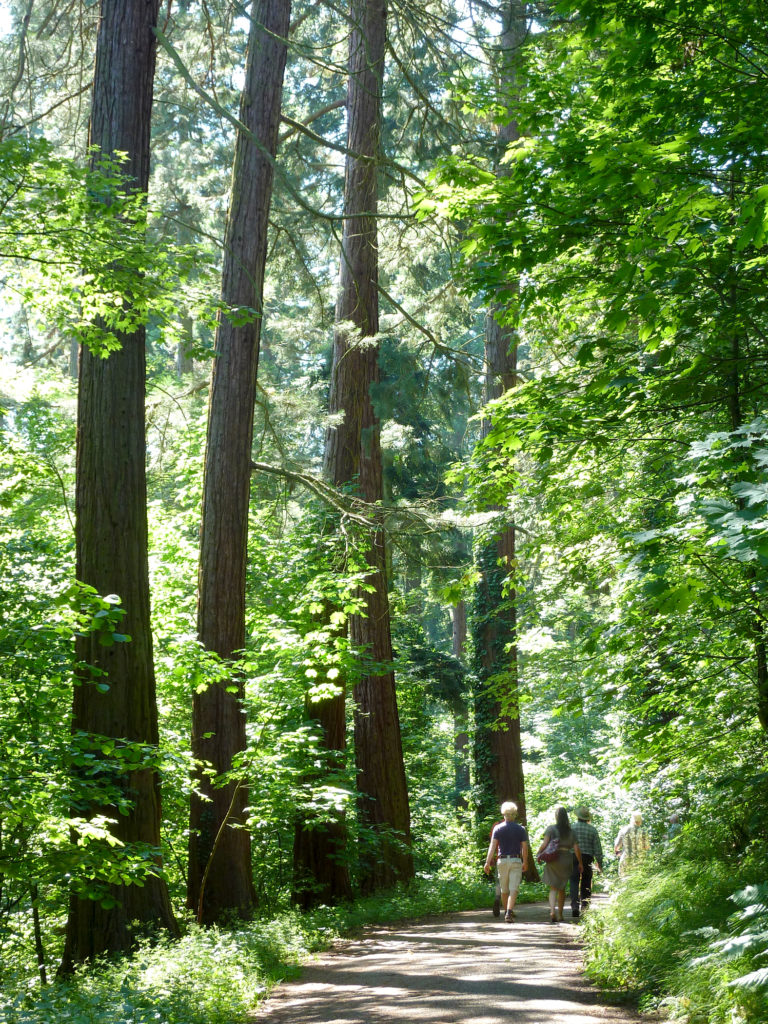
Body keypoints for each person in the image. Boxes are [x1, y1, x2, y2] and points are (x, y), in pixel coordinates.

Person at [484, 801, 529, 923]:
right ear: (514, 814)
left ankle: (507, 911)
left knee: (504, 889)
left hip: (502, 861)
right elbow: (524, 848)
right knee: (514, 888)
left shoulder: (497, 828)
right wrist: (525, 862)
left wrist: (487, 862)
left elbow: (492, 847)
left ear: (504, 814)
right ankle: (509, 912)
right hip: (515, 860)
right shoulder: (520, 829)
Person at [536, 805, 583, 923]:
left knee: (553, 887)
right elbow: (576, 849)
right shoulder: (571, 831)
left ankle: (552, 911)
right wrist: (580, 863)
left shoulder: (551, 829)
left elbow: (544, 844)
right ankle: (560, 914)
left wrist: (539, 854)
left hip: (553, 859)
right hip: (566, 859)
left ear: (556, 817)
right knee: (561, 888)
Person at [570, 805, 603, 919]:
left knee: (574, 881)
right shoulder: (592, 830)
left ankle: (574, 906)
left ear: (578, 817)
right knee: (586, 881)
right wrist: (600, 863)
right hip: (587, 857)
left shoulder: (571, 828)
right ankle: (585, 907)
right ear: (587, 818)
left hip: (573, 856)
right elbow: (597, 848)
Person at [614, 810, 651, 876]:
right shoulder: (643, 832)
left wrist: (617, 852)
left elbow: (617, 846)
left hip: (626, 860)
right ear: (640, 821)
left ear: (631, 820)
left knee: (624, 881)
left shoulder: (623, 830)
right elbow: (647, 847)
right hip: (640, 861)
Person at [488, 816, 504, 918]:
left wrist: (491, 859)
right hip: (512, 857)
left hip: (499, 857)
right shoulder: (514, 826)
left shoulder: (496, 825)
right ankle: (509, 909)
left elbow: (492, 844)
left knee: (499, 882)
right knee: (511, 884)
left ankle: (497, 898)